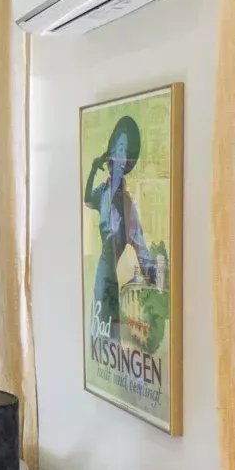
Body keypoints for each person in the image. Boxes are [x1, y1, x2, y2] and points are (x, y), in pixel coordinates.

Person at [83, 114, 158, 344]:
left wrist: (156, 275)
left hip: (111, 276)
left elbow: (141, 248)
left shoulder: (128, 206)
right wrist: (93, 168)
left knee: (109, 334)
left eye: (124, 148)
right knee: (98, 331)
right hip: (100, 273)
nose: (118, 152)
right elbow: (87, 200)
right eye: (117, 145)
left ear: (127, 160)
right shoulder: (103, 193)